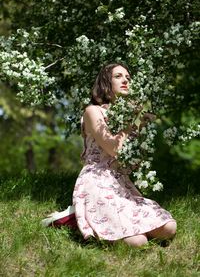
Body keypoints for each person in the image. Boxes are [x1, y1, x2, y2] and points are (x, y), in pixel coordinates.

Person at [42, 62, 176, 247]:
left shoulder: (132, 115)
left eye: (128, 77)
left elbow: (133, 161)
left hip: (121, 182)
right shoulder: (92, 111)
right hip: (96, 180)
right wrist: (132, 124)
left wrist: (142, 123)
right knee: (137, 242)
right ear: (106, 82)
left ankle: (98, 218)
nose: (126, 80)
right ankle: (73, 218)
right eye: (118, 76)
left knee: (168, 228)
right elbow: (112, 148)